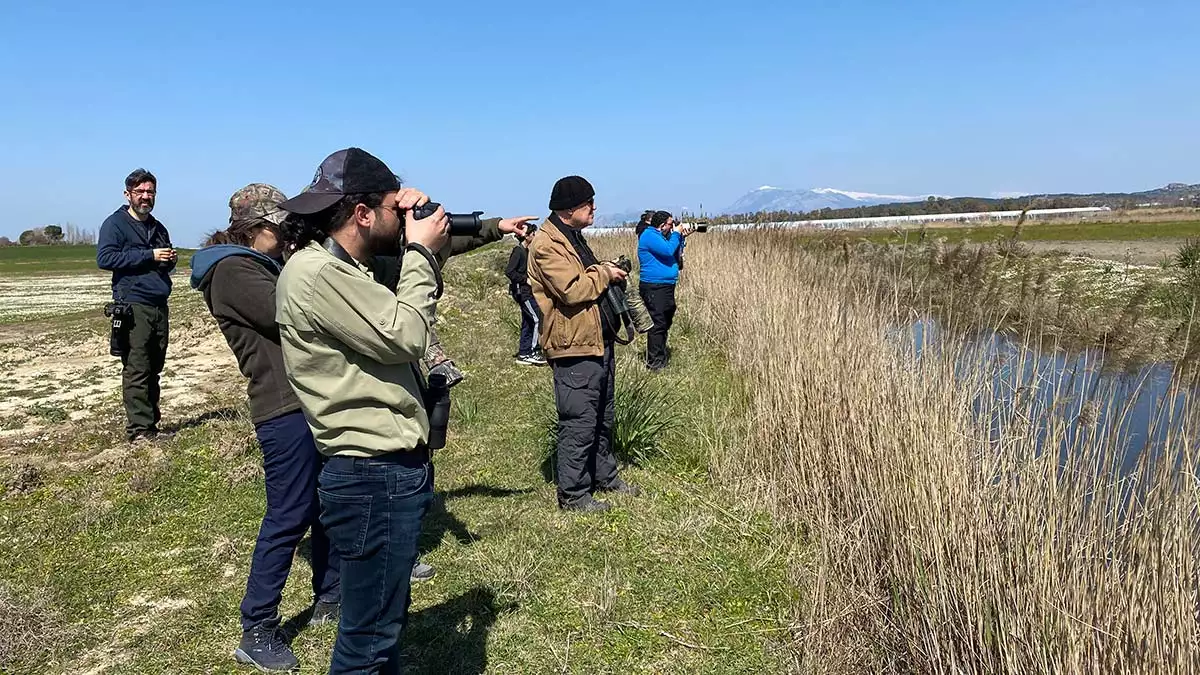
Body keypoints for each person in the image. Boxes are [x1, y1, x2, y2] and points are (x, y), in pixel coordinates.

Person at [275, 147, 533, 673]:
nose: (404, 216)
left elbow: (410, 265)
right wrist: (418, 252)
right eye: (394, 207)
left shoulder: (347, 267)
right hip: (370, 472)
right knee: (366, 639)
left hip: (383, 467)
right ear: (362, 213)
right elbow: (408, 332)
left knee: (382, 623)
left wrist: (421, 225)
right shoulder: (317, 274)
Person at [189, 184, 341, 672]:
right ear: (255, 227)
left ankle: (331, 596)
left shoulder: (258, 264)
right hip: (282, 408)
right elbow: (292, 314)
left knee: (325, 504)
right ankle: (257, 627)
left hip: (305, 401)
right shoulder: (232, 270)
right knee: (288, 515)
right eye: (281, 227)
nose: (287, 234)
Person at [527, 176, 642, 513]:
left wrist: (602, 268)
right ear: (570, 209)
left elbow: (585, 273)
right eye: (589, 203)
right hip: (572, 346)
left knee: (603, 417)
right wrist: (605, 274)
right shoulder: (547, 244)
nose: (594, 208)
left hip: (596, 341)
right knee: (578, 420)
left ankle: (604, 476)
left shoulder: (571, 236)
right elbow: (573, 289)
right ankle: (574, 496)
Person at [96, 168, 176, 442]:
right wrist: (149, 255)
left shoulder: (157, 226)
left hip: (158, 305)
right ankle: (139, 431)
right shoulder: (115, 224)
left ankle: (151, 426)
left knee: (154, 367)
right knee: (137, 367)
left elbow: (163, 260)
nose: (145, 196)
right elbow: (105, 258)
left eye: (150, 192)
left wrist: (168, 259)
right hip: (133, 305)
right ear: (127, 194)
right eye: (140, 192)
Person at [637, 210, 694, 371]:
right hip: (655, 286)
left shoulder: (661, 236)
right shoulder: (648, 236)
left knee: (665, 320)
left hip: (666, 285)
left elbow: (673, 253)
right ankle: (655, 363)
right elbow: (668, 250)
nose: (673, 226)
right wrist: (676, 234)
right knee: (658, 323)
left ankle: (660, 354)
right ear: (662, 225)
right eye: (670, 224)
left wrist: (681, 237)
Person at [505, 226, 545, 365]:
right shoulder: (518, 251)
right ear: (527, 236)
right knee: (537, 319)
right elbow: (509, 271)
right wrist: (525, 280)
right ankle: (533, 351)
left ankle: (524, 353)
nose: (535, 236)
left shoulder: (528, 251)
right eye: (534, 233)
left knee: (528, 322)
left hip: (528, 292)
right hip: (522, 292)